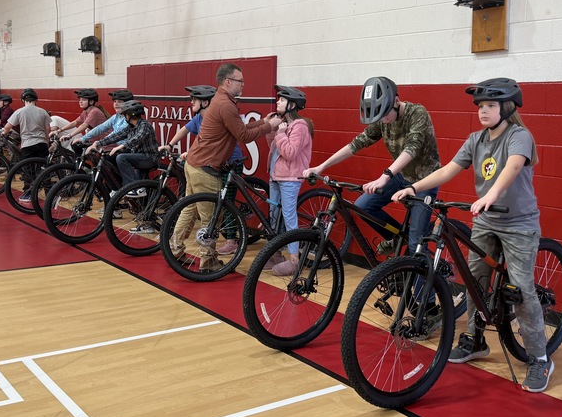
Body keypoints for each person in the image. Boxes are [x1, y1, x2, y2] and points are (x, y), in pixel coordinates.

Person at [393, 78, 553, 393]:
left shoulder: (519, 136)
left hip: (519, 223)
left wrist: (490, 194)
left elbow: (513, 167)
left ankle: (540, 360)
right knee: (473, 279)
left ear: (507, 107)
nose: (483, 111)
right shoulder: (475, 139)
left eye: (490, 106)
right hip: (486, 220)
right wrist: (413, 186)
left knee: (521, 290)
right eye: (480, 106)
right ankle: (475, 339)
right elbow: (448, 170)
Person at [304, 76, 442, 257]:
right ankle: (397, 237)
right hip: (402, 175)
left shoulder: (417, 113)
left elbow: (412, 148)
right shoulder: (383, 119)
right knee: (363, 206)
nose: (383, 120)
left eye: (385, 115)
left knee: (417, 244)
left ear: (396, 101)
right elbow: (356, 144)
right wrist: (321, 167)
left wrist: (385, 176)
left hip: (426, 180)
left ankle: (425, 283)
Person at [167, 63, 282, 272]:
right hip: (206, 168)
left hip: (193, 164)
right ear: (228, 82)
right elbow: (244, 136)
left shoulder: (221, 101)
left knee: (189, 209)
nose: (243, 84)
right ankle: (207, 261)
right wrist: (269, 127)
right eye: (240, 81)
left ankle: (174, 249)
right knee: (211, 218)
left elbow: (240, 128)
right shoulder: (226, 105)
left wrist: (262, 122)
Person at [264, 85, 314, 275]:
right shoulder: (286, 125)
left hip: (290, 178)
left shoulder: (300, 126)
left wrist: (281, 133)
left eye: (282, 100)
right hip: (276, 175)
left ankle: (294, 260)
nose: (278, 102)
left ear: (292, 105)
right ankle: (275, 254)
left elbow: (290, 153)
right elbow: (274, 147)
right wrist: (273, 128)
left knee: (289, 217)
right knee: (274, 216)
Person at [85, 99, 159, 193]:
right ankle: (116, 189)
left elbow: (137, 138)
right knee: (109, 158)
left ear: (129, 115)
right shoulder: (131, 127)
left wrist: (122, 146)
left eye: (124, 115)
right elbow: (117, 136)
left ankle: (134, 188)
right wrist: (97, 143)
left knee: (121, 158)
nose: (124, 117)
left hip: (149, 158)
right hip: (138, 156)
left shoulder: (145, 125)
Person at [2, 89, 52, 202]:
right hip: (41, 143)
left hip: (27, 144)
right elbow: (47, 129)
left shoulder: (20, 111)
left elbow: (7, 126)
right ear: (36, 100)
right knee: (44, 168)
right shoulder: (43, 111)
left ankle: (28, 193)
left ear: (23, 100)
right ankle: (49, 193)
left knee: (28, 169)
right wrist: (47, 142)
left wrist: (4, 133)